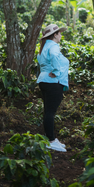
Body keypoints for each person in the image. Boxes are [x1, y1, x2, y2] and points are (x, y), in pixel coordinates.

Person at [37, 24, 69, 152]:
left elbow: (41, 61)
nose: (61, 35)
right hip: (52, 82)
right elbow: (55, 57)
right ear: (54, 35)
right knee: (50, 112)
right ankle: (51, 140)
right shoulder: (53, 46)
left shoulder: (44, 47)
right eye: (59, 33)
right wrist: (56, 71)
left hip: (44, 80)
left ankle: (50, 139)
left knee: (48, 111)